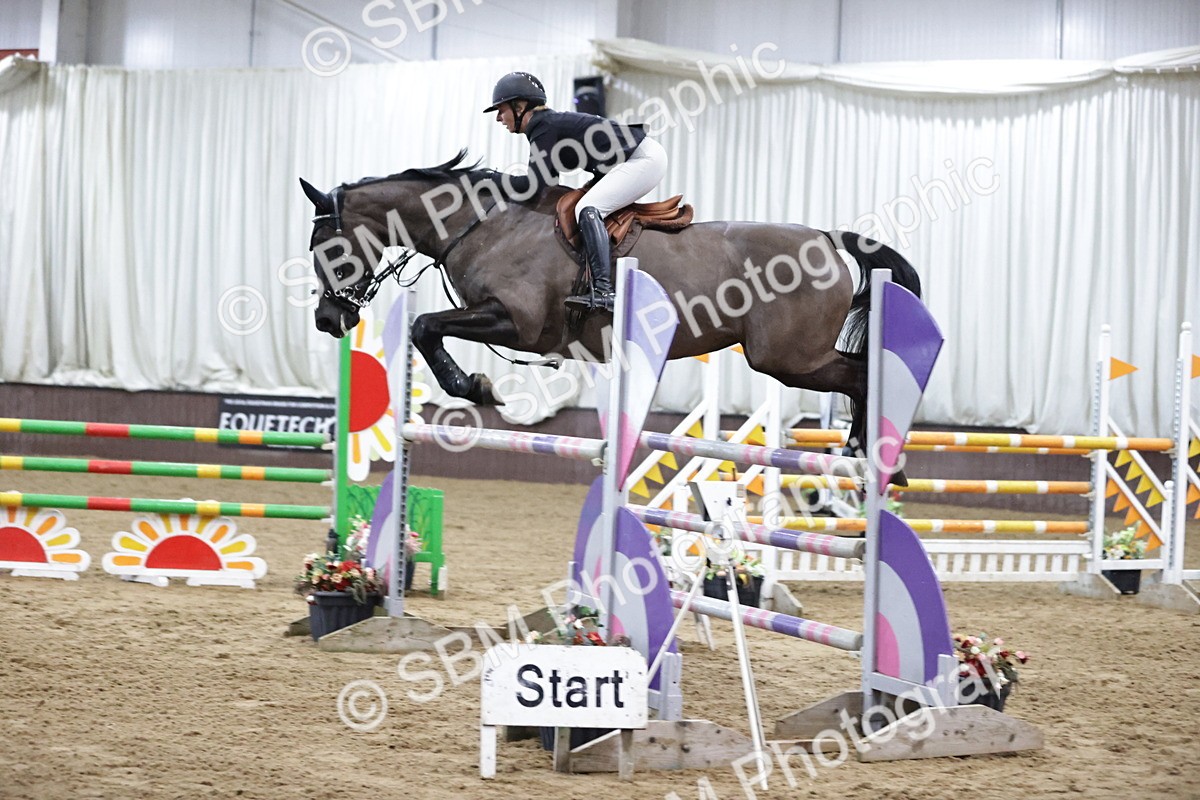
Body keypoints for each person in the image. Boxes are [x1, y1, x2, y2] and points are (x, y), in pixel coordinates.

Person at [484, 71, 668, 312]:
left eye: (501, 110)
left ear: (520, 107)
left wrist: (490, 178)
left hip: (643, 159)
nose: (498, 118)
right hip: (634, 158)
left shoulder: (543, 126)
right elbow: (547, 188)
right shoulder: (546, 126)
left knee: (587, 208)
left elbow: (532, 184)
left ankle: (604, 292)